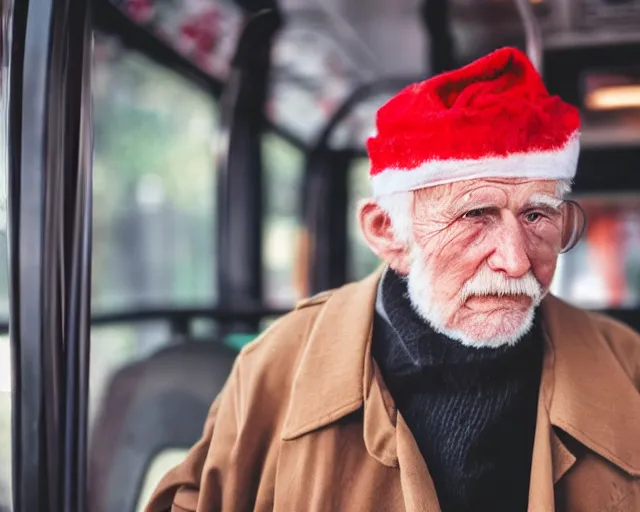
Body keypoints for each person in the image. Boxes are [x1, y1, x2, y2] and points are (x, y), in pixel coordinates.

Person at [145, 47, 640, 512]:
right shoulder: (276, 368)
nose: (515, 261)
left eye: (537, 216)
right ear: (387, 234)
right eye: (475, 216)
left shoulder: (628, 366)